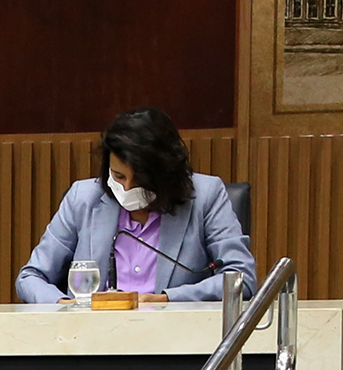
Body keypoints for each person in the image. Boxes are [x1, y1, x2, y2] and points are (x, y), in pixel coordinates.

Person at [15, 107, 254, 304]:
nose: (127, 188)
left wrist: (167, 299)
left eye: (140, 180)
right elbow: (30, 277)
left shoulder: (205, 196)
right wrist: (64, 305)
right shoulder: (83, 198)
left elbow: (241, 278)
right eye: (119, 176)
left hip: (174, 337)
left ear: (166, 174)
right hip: (92, 336)